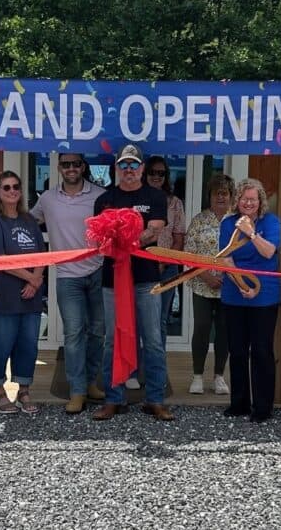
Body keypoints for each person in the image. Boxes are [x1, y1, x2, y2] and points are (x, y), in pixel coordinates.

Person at [92, 144, 172, 422]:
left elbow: (155, 230)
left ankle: (155, 399)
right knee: (112, 340)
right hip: (112, 280)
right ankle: (113, 399)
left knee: (153, 339)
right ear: (116, 168)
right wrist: (121, 240)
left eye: (133, 164)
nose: (129, 170)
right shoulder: (105, 199)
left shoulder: (155, 196)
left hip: (146, 279)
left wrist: (125, 241)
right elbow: (99, 238)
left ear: (142, 168)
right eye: (124, 165)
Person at [29, 153, 107, 414]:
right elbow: (28, 222)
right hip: (67, 276)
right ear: (59, 168)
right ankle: (76, 391)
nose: (71, 168)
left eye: (75, 164)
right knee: (73, 333)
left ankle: (90, 382)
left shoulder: (100, 195)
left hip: (98, 271)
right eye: (66, 164)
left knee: (97, 331)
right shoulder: (47, 199)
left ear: (83, 167)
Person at [0, 171, 46, 415]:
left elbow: (42, 253)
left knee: (28, 345)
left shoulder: (28, 219)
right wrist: (31, 277)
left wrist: (35, 281)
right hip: (3, 297)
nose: (12, 191)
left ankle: (24, 391)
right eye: (6, 187)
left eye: (16, 186)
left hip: (31, 297)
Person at [221, 178, 281, 423]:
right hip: (234, 293)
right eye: (244, 199)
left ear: (260, 201)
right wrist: (243, 285)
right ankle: (239, 403)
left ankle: (263, 407)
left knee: (261, 351)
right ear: (237, 200)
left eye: (253, 199)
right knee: (237, 350)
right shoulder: (228, 223)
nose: (248, 203)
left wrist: (251, 232)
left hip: (264, 296)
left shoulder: (271, 222)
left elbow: (269, 252)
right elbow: (226, 259)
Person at [185, 173, 234, 395]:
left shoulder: (238, 221)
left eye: (225, 193)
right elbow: (188, 254)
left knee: (224, 331)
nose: (220, 197)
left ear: (231, 196)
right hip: (202, 285)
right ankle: (197, 376)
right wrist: (207, 276)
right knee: (202, 328)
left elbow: (243, 253)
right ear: (210, 196)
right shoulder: (199, 220)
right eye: (216, 193)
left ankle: (219, 376)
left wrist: (228, 276)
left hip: (229, 286)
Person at [145, 155, 186, 344]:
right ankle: (138, 359)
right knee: (139, 318)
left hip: (167, 268)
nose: (156, 176)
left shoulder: (175, 203)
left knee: (160, 319)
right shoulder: (138, 200)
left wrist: (163, 262)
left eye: (161, 173)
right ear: (145, 173)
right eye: (152, 172)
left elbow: (179, 239)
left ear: (166, 176)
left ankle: (157, 359)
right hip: (141, 265)